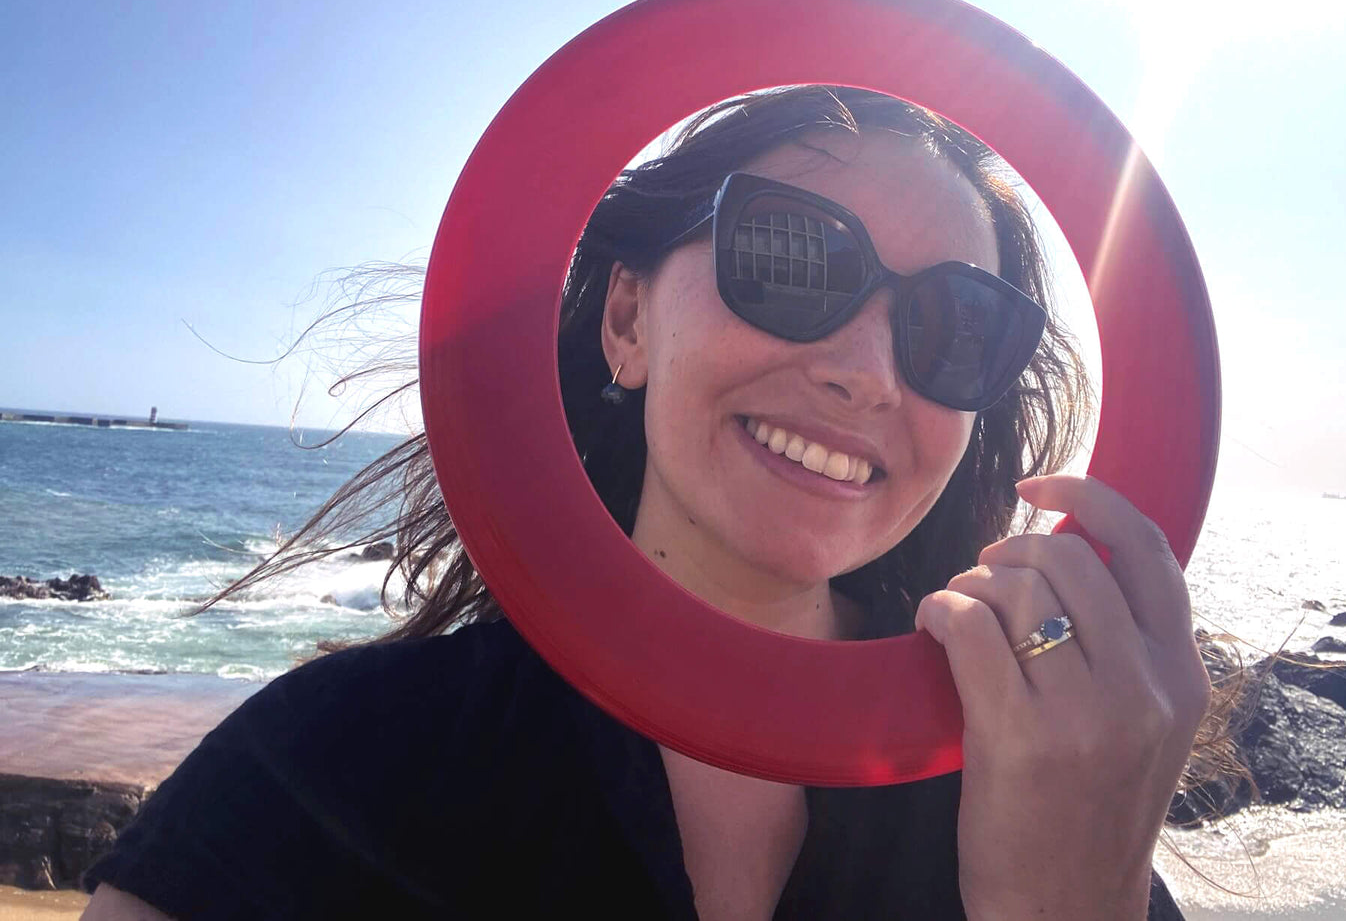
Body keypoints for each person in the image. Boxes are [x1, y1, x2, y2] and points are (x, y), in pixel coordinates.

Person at [82, 86, 1216, 919]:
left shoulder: (1047, 792)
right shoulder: (335, 763)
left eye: (958, 329)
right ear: (627, 321)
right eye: (791, 260)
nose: (869, 371)